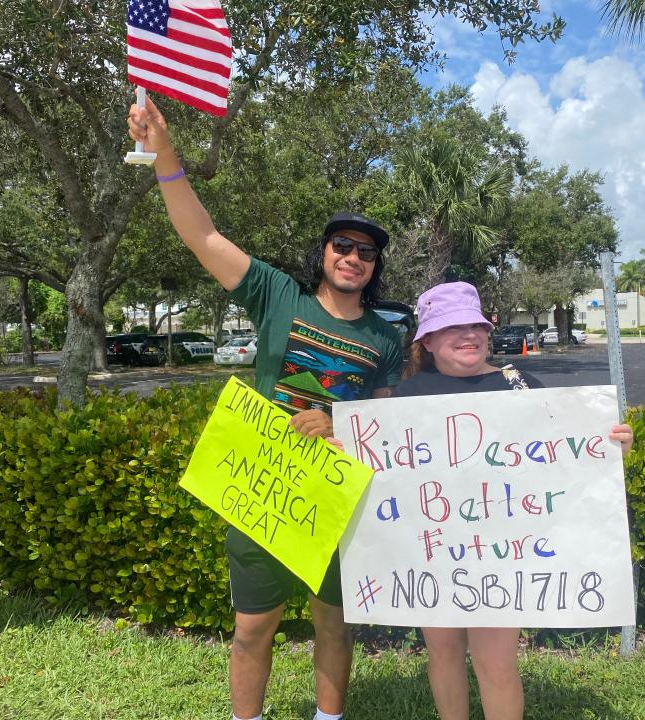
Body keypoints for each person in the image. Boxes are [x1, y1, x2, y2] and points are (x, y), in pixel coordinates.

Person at [127, 96, 404, 720]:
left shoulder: (387, 340)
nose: (352, 257)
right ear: (324, 253)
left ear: (374, 266)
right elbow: (201, 234)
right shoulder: (278, 296)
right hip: (264, 485)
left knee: (335, 624)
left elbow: (387, 426)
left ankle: (328, 718)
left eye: (365, 251)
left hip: (340, 494)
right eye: (342, 245)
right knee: (253, 627)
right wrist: (164, 153)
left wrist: (338, 422)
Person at [393, 281, 634, 720]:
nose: (468, 335)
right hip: (433, 548)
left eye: (475, 325)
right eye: (452, 328)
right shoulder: (409, 396)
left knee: (496, 662)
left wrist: (610, 445)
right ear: (426, 340)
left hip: (503, 553)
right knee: (442, 653)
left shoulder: (520, 384)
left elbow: (565, 454)